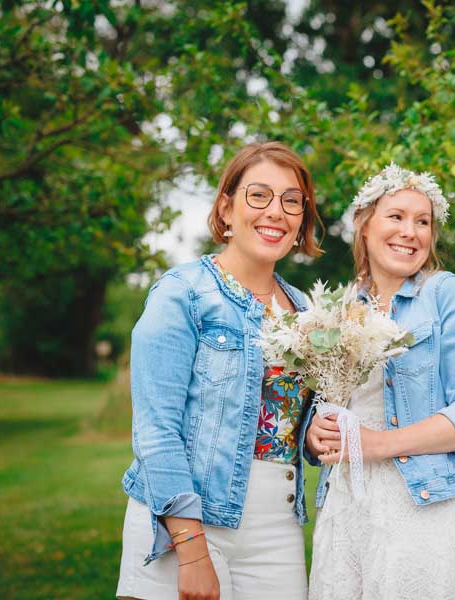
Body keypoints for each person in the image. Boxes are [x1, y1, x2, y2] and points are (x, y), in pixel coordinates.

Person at [116, 142, 323, 600]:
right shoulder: (182, 294)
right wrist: (190, 551)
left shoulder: (307, 311)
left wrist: (314, 434)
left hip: (278, 529)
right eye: (259, 196)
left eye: (292, 201)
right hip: (188, 523)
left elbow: (290, 425)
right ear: (226, 208)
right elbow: (156, 431)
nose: (277, 212)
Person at [305, 163, 455, 600]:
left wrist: (378, 445)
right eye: (396, 216)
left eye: (423, 221)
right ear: (364, 224)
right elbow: (327, 405)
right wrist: (316, 437)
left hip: (421, 500)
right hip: (346, 502)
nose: (410, 232)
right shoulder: (337, 307)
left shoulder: (442, 293)